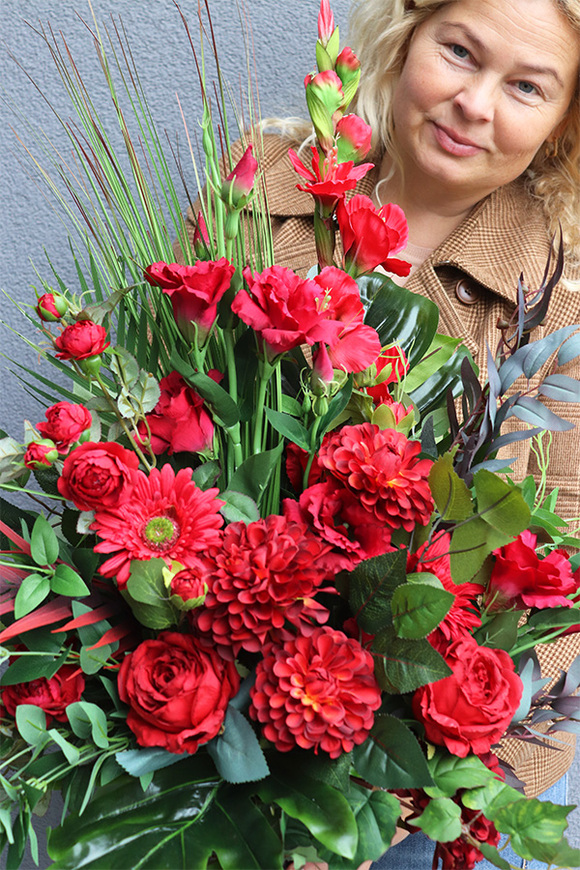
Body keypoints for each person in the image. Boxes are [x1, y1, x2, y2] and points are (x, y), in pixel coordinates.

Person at [178, 0, 580, 864]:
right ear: (405, 37)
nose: (475, 102)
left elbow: (565, 576)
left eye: (526, 86)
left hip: (446, 770)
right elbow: (169, 435)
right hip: (214, 721)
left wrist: (416, 781)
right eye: (459, 51)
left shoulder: (566, 296)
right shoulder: (269, 182)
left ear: (559, 126)